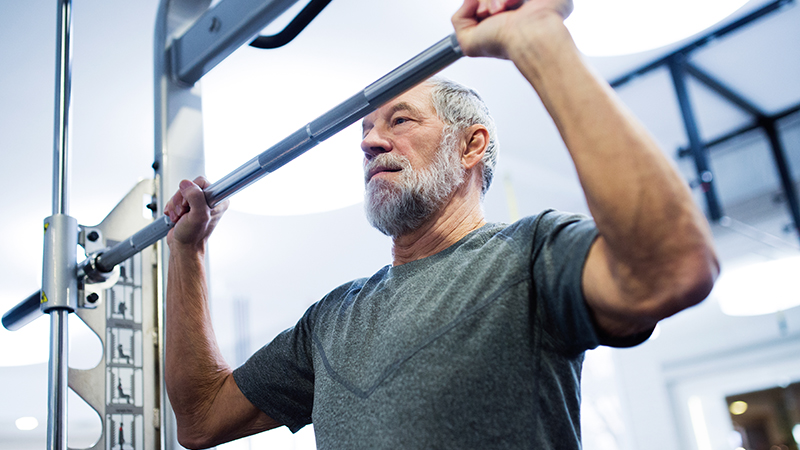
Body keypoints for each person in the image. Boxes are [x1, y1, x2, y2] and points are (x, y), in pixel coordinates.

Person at [163, 0, 719, 448]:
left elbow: (670, 270)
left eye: (400, 120)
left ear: (471, 145)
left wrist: (539, 43)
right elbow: (200, 418)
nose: (370, 141)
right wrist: (188, 251)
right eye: (365, 131)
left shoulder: (530, 255)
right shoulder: (332, 320)